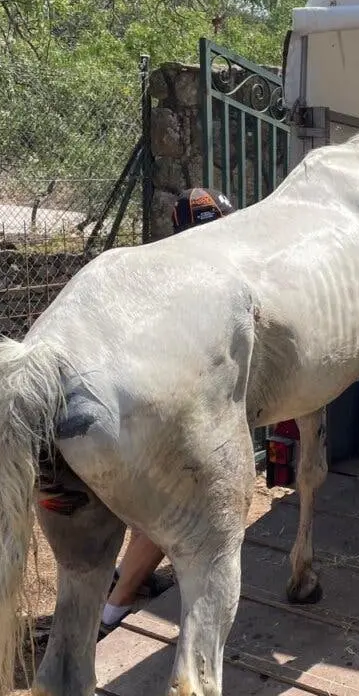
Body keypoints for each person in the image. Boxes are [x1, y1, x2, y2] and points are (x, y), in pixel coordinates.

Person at [98, 185, 238, 638]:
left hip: (113, 408)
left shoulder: (155, 269)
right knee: (174, 510)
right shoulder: (204, 280)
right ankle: (111, 614)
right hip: (145, 412)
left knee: (141, 510)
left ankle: (124, 580)